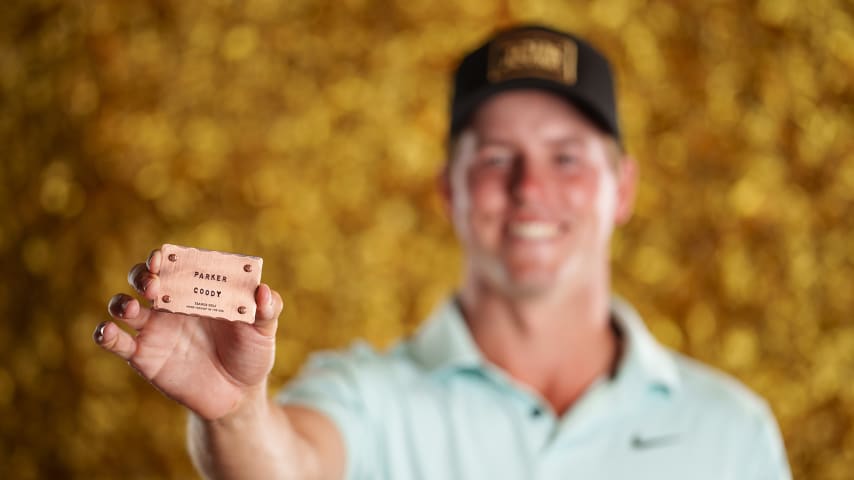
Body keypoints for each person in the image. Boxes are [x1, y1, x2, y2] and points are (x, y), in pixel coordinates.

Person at [95, 25, 791, 479]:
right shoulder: (369, 399)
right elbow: (291, 464)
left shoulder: (731, 432)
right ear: (449, 191)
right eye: (495, 157)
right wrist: (239, 412)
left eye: (568, 157)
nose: (530, 188)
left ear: (623, 190)